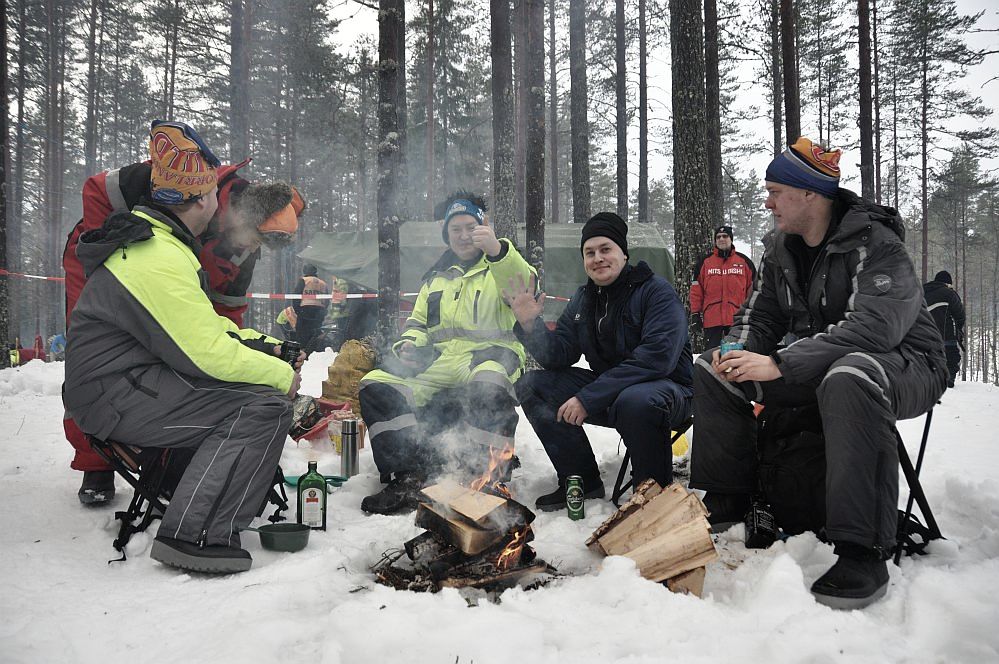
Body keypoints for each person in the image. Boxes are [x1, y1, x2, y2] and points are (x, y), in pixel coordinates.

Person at [688, 137, 947, 610]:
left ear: (809, 194)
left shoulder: (877, 244)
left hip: (903, 364)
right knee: (712, 369)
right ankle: (730, 500)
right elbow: (759, 316)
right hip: (819, 362)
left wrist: (780, 364)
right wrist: (737, 350)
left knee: (849, 375)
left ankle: (862, 550)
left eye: (774, 191)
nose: (766, 202)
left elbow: (874, 329)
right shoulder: (780, 250)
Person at [63, 121, 301, 574]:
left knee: (255, 395)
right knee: (263, 406)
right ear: (204, 200)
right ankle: (195, 536)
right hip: (114, 393)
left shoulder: (164, 243)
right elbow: (205, 352)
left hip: (126, 381)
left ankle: (195, 507)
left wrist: (264, 348)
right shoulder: (158, 255)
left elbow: (204, 325)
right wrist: (281, 376)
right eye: (212, 194)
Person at [358, 191, 537, 514]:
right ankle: (408, 474)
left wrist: (497, 250)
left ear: (483, 228)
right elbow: (417, 324)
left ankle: (487, 479)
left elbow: (527, 284)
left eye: (471, 226)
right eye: (456, 229)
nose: (464, 235)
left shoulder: (500, 263)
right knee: (376, 383)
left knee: (489, 383)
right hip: (441, 361)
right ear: (447, 234)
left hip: (491, 354)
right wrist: (408, 345)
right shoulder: (436, 278)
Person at [509, 212, 694, 511]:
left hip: (668, 392)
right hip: (612, 393)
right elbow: (559, 355)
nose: (598, 258)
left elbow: (657, 359)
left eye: (605, 249)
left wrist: (587, 397)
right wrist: (532, 326)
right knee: (533, 385)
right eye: (589, 252)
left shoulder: (655, 292)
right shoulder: (583, 299)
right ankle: (580, 481)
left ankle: (652, 499)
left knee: (636, 398)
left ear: (623, 252)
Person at [690, 225, 756, 349]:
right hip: (712, 319)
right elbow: (696, 291)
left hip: (737, 319)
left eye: (725, 236)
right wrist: (695, 314)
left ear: (731, 239)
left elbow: (753, 291)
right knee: (711, 356)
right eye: (718, 237)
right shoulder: (705, 263)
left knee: (736, 356)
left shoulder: (744, 262)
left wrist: (753, 314)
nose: (721, 239)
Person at [923, 270, 965, 388]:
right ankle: (948, 379)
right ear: (947, 283)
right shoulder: (949, 294)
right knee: (952, 356)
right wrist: (959, 331)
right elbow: (960, 315)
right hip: (945, 334)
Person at [293, 264, 330, 352]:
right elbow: (327, 300)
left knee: (302, 333)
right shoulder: (323, 283)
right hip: (318, 312)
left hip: (305, 311)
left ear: (305, 271)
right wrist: (323, 311)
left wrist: (297, 310)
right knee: (315, 332)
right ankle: (315, 350)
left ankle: (302, 351)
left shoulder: (304, 280)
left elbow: (296, 296)